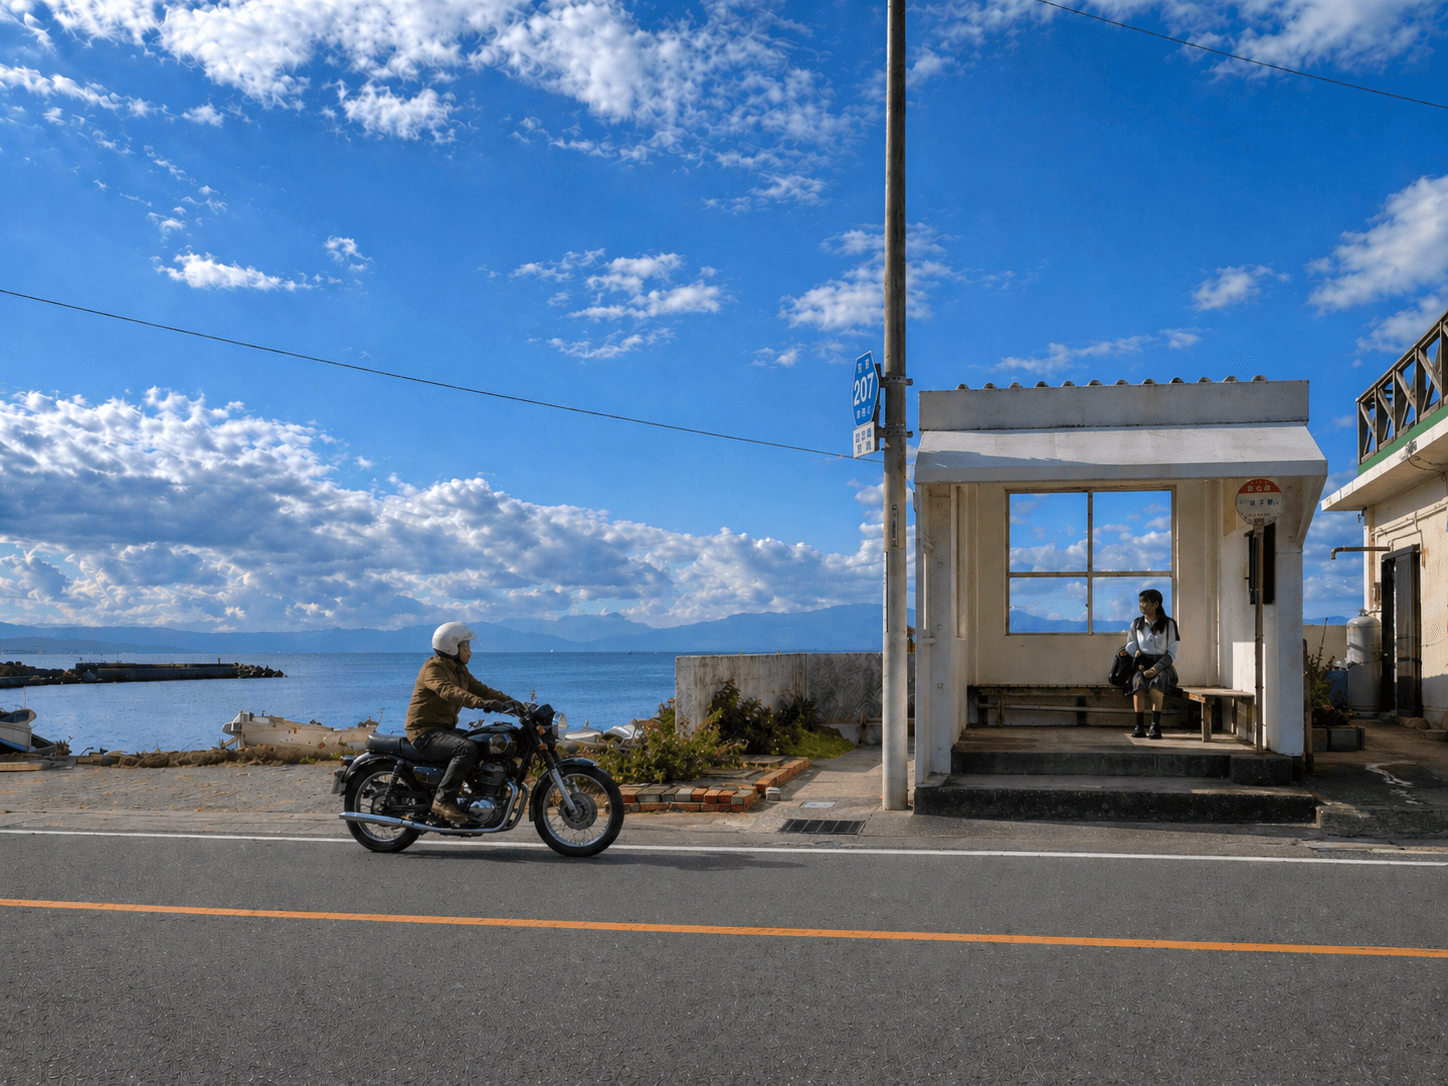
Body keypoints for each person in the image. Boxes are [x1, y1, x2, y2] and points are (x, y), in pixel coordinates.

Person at [405, 622, 523, 824]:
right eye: (465, 646)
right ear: (451, 647)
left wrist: (514, 703)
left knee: (480, 744)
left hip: (443, 730)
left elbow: (483, 689)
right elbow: (448, 691)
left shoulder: (460, 671)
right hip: (424, 731)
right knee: (466, 749)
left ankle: (471, 799)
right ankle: (442, 801)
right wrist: (481, 703)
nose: (469, 651)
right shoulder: (433, 668)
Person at [1118, 589, 1179, 740]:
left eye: (1145, 602)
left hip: (1163, 665)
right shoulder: (1137, 623)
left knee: (1156, 685)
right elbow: (1130, 643)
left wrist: (1155, 668)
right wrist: (1136, 652)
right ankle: (1139, 726)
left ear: (1156, 604)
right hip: (1141, 664)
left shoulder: (1169, 624)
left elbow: (1172, 653)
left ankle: (1154, 726)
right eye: (1140, 602)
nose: (1142, 605)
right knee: (1138, 683)